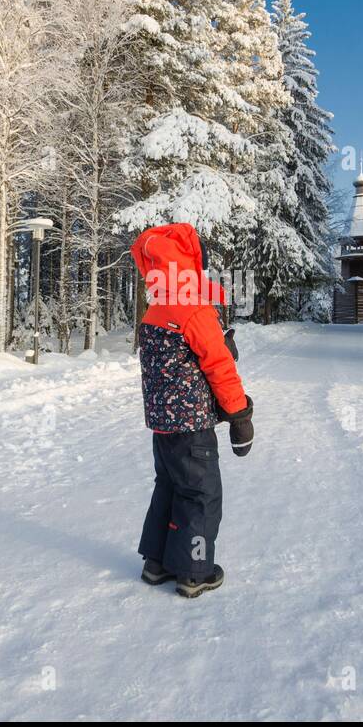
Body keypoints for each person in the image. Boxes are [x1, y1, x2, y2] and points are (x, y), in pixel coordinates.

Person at [130, 223, 254, 599]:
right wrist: (240, 416)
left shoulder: (155, 308)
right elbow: (219, 366)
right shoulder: (195, 309)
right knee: (201, 494)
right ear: (188, 261)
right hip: (193, 426)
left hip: (163, 427)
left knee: (168, 487)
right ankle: (195, 571)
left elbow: (178, 362)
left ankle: (157, 563)